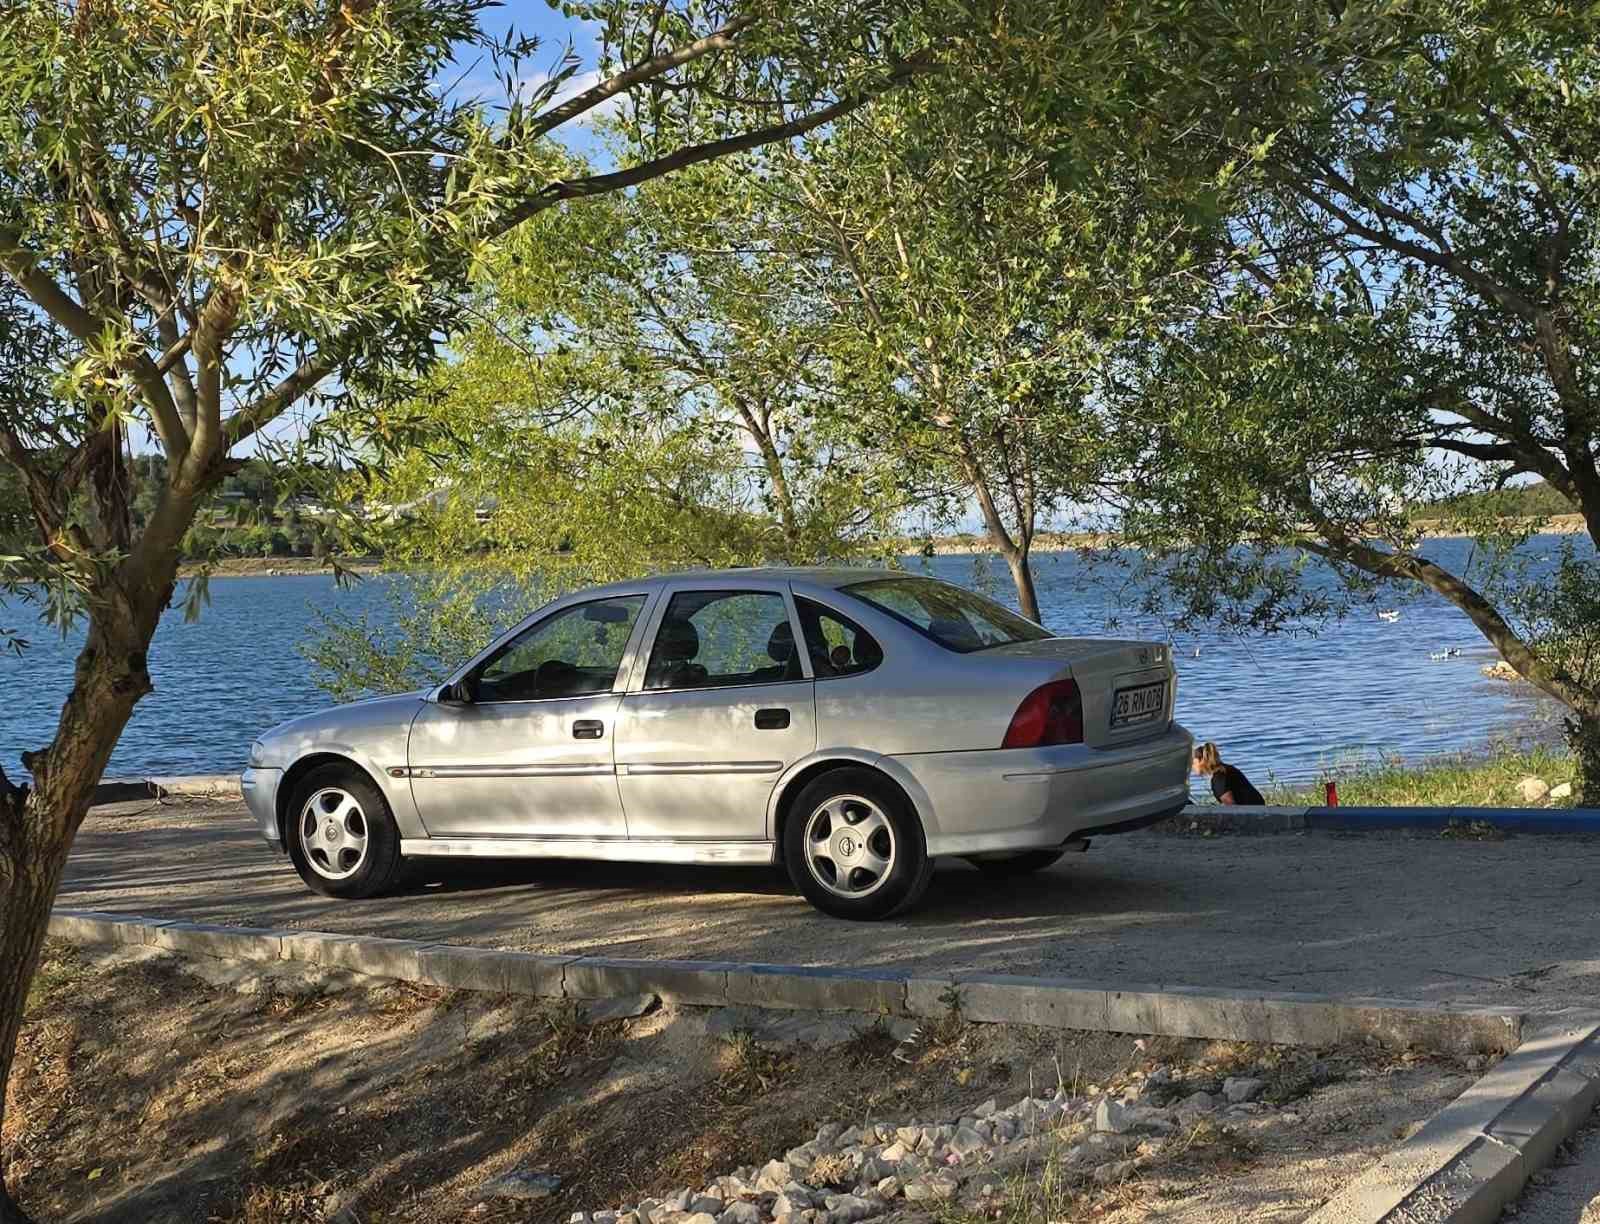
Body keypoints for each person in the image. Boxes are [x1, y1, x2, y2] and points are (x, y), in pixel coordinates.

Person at [1193, 741, 1265, 806]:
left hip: (1253, 815)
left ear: (1201, 761)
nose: (1192, 766)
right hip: (1258, 809)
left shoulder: (1219, 779)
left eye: (1193, 762)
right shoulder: (1226, 769)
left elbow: (1233, 809)